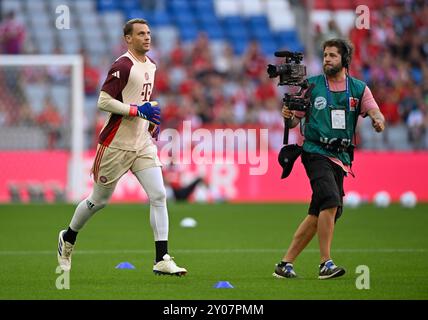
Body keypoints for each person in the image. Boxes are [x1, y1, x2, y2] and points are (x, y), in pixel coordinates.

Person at [57, 18, 187, 276]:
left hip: (141, 143)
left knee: (159, 195)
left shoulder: (151, 65)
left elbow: (142, 101)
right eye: (140, 34)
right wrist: (138, 110)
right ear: (128, 38)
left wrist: (149, 121)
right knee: (98, 201)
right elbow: (103, 101)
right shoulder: (122, 65)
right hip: (115, 144)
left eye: (149, 33)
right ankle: (68, 237)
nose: (147, 37)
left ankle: (162, 258)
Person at [273, 39, 385, 280]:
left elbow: (373, 109)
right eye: (325, 55)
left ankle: (285, 263)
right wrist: (288, 116)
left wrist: (378, 119)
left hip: (341, 156)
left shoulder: (358, 88)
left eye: (333, 55)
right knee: (330, 200)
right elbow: (294, 121)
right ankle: (325, 263)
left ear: (344, 60)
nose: (327, 59)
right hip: (314, 151)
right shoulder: (311, 85)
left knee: (320, 211)